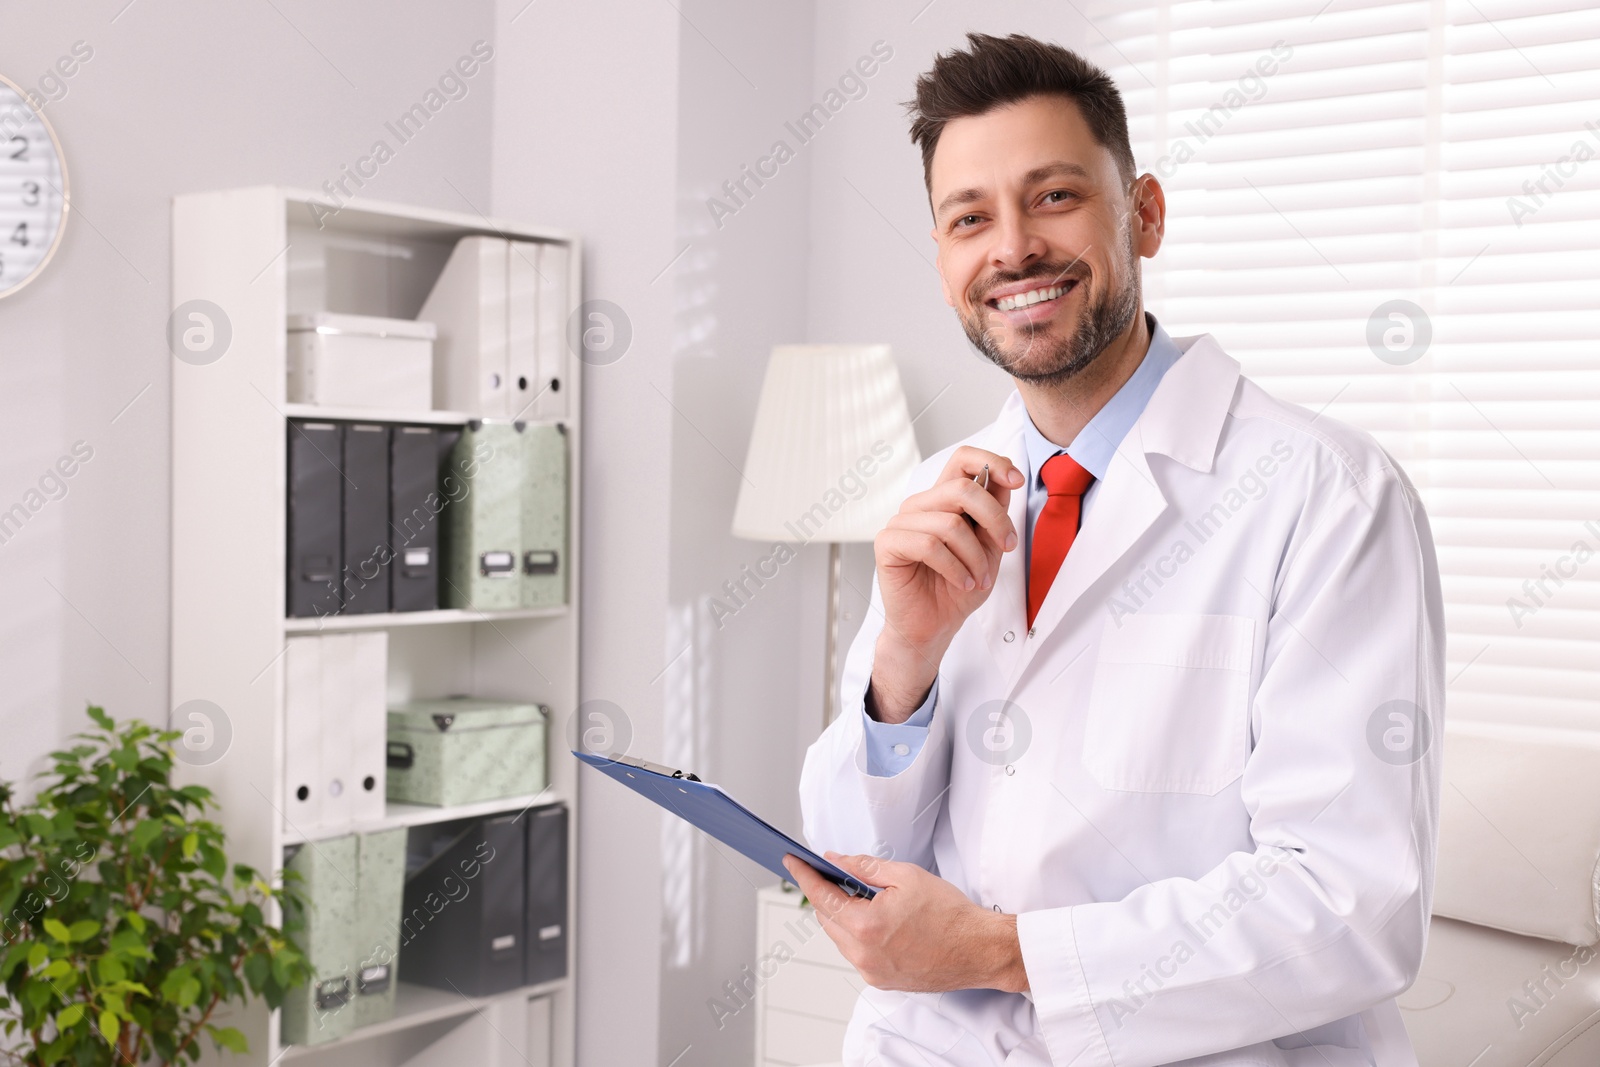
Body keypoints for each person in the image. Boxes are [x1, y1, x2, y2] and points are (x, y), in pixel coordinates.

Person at [783, 32, 1444, 1067]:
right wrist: (900, 669)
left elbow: (1350, 902)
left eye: (1052, 197)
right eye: (969, 219)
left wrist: (1005, 952)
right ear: (945, 258)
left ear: (1144, 213)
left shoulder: (1326, 495)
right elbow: (857, 862)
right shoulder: (934, 494)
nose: (1010, 249)